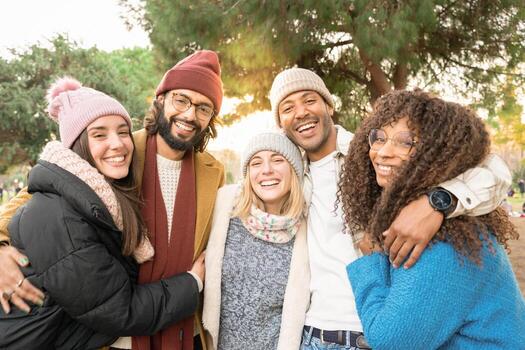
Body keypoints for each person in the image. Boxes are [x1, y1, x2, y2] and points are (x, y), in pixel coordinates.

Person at [268, 68, 512, 349]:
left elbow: (493, 169)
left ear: (329, 105)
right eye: (287, 107)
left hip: (370, 328)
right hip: (313, 331)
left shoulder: (366, 152)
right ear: (280, 122)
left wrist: (438, 202)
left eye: (309, 100)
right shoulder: (287, 172)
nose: (300, 112)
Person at [0, 50, 225, 350]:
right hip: (116, 333)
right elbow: (34, 198)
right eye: (181, 100)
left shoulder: (214, 172)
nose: (189, 114)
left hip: (184, 327)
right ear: (161, 101)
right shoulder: (120, 149)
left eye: (203, 108)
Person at [341, 89, 525, 349]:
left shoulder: (444, 245)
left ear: (440, 152)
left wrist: (370, 259)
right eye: (378, 138)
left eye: (406, 141)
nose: (383, 152)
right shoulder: (431, 221)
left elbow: (389, 342)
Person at [202, 131, 309, 350]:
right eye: (256, 163)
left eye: (278, 160)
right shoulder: (224, 207)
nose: (266, 170)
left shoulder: (307, 227)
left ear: (294, 170)